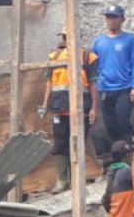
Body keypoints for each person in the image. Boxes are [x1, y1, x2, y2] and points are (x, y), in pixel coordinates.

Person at [41, 32, 98, 192]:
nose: (66, 40)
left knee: (78, 142)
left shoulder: (88, 57)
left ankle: (76, 179)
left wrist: (94, 107)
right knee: (60, 144)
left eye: (69, 37)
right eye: (65, 37)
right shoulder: (54, 57)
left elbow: (94, 84)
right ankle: (62, 180)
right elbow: (49, 83)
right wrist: (45, 104)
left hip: (81, 109)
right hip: (60, 108)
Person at [91, 5, 134, 144]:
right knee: (109, 124)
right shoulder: (99, 41)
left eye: (114, 17)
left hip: (124, 88)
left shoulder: (130, 39)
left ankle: (126, 150)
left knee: (122, 121)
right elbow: (93, 65)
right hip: (105, 89)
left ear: (122, 19)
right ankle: (115, 154)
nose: (111, 20)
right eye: (108, 17)